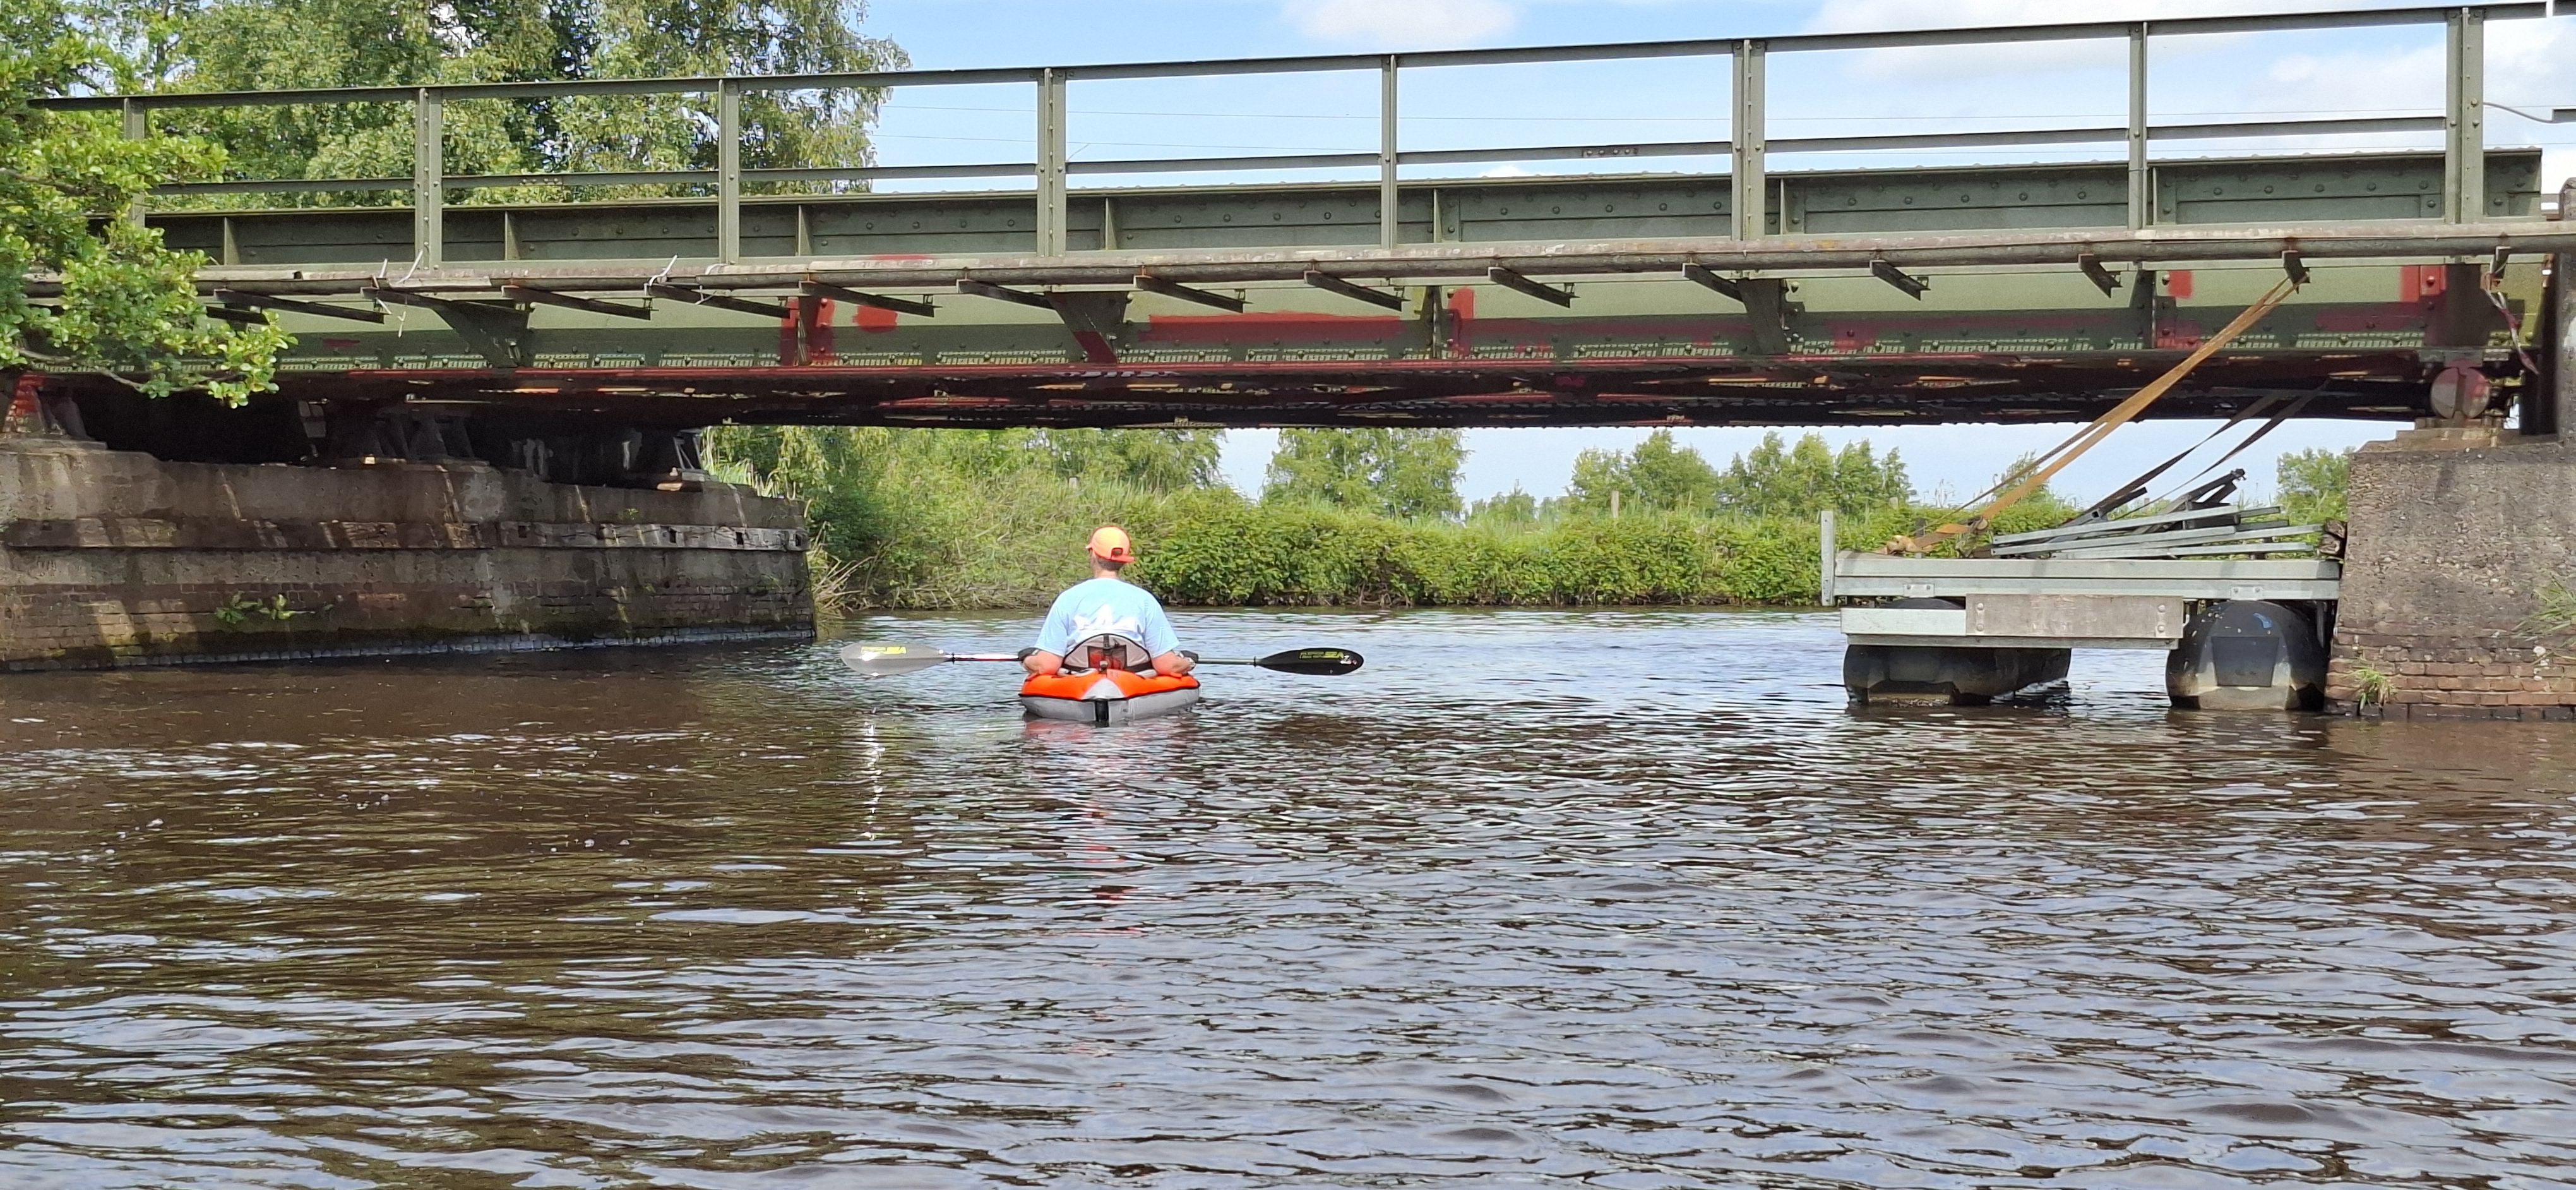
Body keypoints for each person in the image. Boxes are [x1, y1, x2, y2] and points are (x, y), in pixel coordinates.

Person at [1023, 526, 1196, 679]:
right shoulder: (1145, 600)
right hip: (1132, 682)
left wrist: (1027, 659)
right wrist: (1187, 661)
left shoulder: (1067, 599)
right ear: (1124, 561)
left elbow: (1046, 666)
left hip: (1079, 683)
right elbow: (1166, 665)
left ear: (1093, 555)